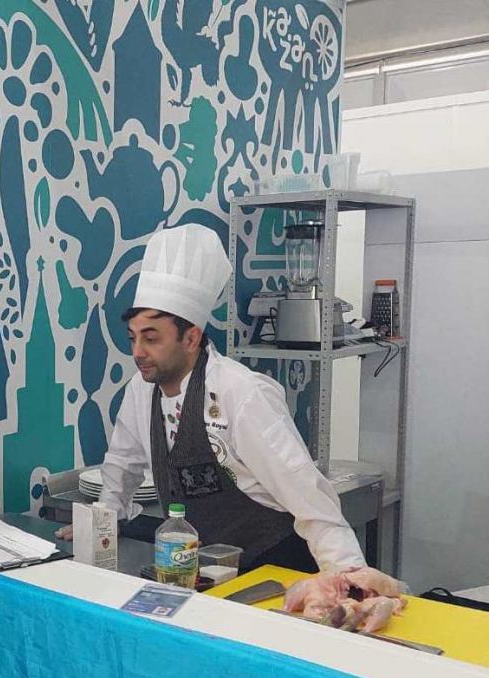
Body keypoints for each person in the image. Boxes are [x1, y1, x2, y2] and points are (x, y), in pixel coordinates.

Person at [58, 223, 365, 573]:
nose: (138, 352)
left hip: (272, 562)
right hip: (203, 564)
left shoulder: (241, 393)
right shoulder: (140, 390)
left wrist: (347, 574)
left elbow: (305, 490)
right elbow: (123, 463)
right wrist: (104, 520)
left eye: (152, 339)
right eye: (133, 338)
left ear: (191, 338)